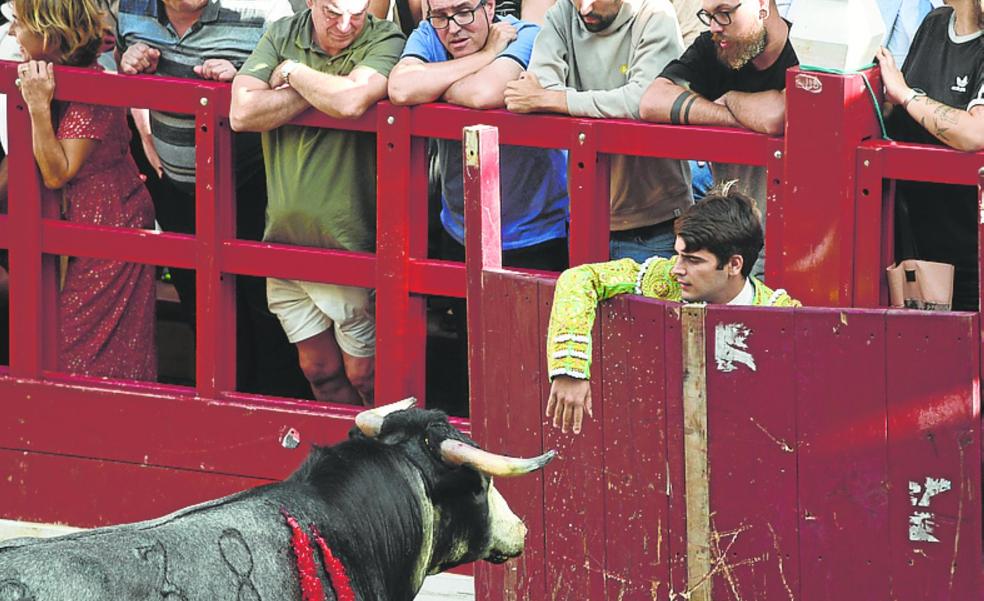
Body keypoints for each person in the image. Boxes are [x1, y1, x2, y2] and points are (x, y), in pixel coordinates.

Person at [116, 0, 314, 398]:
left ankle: (275, 419)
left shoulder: (263, 9)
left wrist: (246, 79)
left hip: (256, 184)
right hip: (175, 188)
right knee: (203, 309)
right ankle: (222, 408)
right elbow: (107, 55)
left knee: (269, 310)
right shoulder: (129, 8)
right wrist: (130, 69)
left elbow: (303, 76)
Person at [388, 0, 571, 413]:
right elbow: (400, 88)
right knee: (473, 359)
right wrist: (488, 57)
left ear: (490, 7)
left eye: (465, 12)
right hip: (462, 229)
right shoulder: (429, 35)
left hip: (538, 231)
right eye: (441, 15)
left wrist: (437, 88)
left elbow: (486, 93)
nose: (452, 27)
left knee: (536, 366)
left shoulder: (526, 35)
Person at [230, 0, 405, 405]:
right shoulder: (282, 33)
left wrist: (292, 73)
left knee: (366, 374)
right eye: (331, 12)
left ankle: (383, 461)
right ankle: (344, 461)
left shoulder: (385, 37)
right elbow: (242, 111)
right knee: (319, 371)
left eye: (356, 14)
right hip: (285, 238)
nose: (345, 26)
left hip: (351, 239)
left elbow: (351, 102)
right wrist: (328, 86)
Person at [545, 183, 799, 433]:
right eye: (678, 254)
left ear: (734, 265)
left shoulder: (781, 315)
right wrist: (570, 370)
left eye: (693, 260)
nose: (677, 268)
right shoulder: (663, 279)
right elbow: (579, 278)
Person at [12, 0, 157, 379]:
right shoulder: (50, 77)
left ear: (50, 34)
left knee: (85, 352)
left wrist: (38, 107)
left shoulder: (91, 87)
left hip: (108, 226)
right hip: (73, 225)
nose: (13, 32)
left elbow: (57, 172)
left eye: (20, 23)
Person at [503, 0, 693, 263]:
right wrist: (554, 98)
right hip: (583, 218)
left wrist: (556, 100)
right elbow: (540, 81)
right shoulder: (563, 12)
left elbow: (644, 101)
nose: (584, 8)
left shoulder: (656, 14)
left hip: (654, 222)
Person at [639, 0, 797, 277]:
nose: (714, 27)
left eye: (725, 14)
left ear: (762, 5)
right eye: (709, 15)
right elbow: (652, 101)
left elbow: (776, 115)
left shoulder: (807, 47)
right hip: (737, 250)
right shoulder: (714, 47)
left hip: (800, 249)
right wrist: (733, 114)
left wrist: (732, 97)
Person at [876, 0, 984, 311]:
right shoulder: (935, 22)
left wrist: (905, 95)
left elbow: (976, 133)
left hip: (970, 258)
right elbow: (899, 106)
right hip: (914, 249)